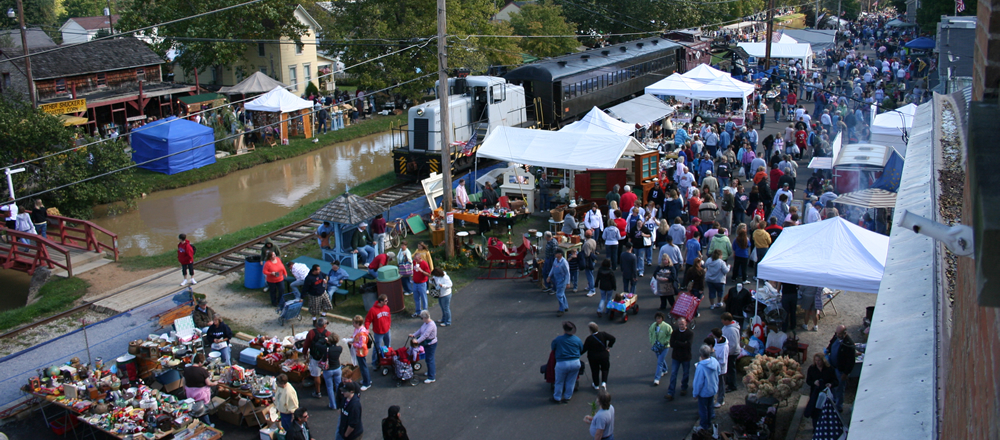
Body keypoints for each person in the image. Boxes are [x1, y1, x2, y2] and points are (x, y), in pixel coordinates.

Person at [551, 321, 583, 403]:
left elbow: (553, 348)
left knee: (559, 381)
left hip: (562, 363)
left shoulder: (558, 339)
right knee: (571, 381)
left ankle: (557, 397)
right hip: (575, 362)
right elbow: (581, 349)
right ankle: (567, 397)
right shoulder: (577, 339)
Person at [826, 325, 856, 412]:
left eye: (840, 334)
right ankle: (833, 401)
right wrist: (828, 350)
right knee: (832, 386)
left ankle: (838, 407)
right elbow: (831, 343)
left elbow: (851, 361)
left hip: (840, 370)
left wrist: (846, 373)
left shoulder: (849, 344)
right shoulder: (836, 337)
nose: (838, 335)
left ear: (845, 333)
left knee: (839, 389)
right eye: (837, 333)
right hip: (832, 367)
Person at [183, 353, 218, 426]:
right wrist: (215, 383)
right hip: (200, 394)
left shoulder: (186, 369)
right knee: (202, 410)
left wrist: (184, 390)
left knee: (192, 408)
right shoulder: (202, 371)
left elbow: (184, 381)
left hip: (189, 392)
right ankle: (208, 424)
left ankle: (194, 423)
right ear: (199, 363)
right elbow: (208, 383)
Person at [692, 345, 721, 433]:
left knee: (703, 410)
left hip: (704, 392)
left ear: (701, 355)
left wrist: (695, 393)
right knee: (710, 407)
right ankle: (709, 422)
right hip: (713, 389)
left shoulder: (700, 367)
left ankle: (704, 426)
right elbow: (719, 372)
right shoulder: (715, 361)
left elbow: (698, 382)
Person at [665, 317, 693, 401]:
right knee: (673, 374)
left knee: (686, 374)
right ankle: (670, 392)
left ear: (686, 324)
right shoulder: (675, 332)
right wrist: (682, 343)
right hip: (676, 357)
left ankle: (684, 388)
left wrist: (677, 342)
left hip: (686, 357)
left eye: (682, 324)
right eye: (680, 324)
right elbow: (672, 344)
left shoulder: (690, 333)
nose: (681, 326)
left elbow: (688, 344)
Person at [804, 353, 839, 420]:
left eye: (819, 360)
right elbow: (808, 381)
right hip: (815, 393)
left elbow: (836, 381)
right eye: (816, 360)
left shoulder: (829, 369)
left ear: (823, 361)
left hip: (826, 394)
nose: (817, 362)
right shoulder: (812, 369)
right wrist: (814, 382)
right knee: (815, 412)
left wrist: (830, 384)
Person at [581, 322, 616, 389]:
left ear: (590, 330)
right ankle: (604, 382)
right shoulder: (603, 334)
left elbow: (584, 349)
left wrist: (576, 355)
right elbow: (613, 338)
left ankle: (596, 385)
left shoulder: (589, 338)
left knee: (595, 370)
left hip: (593, 357)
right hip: (604, 355)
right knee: (605, 369)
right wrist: (609, 346)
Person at [303, 318, 332, 397]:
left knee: (316, 375)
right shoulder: (328, 334)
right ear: (324, 325)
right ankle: (329, 390)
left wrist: (304, 353)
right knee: (327, 373)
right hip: (325, 357)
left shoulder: (311, 333)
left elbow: (306, 344)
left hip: (315, 357)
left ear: (317, 324)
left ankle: (318, 392)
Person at [410, 310, 438, 383]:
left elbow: (425, 335)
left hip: (431, 344)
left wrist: (417, 341)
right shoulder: (426, 323)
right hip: (427, 344)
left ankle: (431, 377)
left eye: (422, 318)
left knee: (429, 359)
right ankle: (431, 372)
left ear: (425, 317)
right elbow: (420, 330)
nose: (422, 320)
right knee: (428, 359)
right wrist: (414, 335)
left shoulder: (431, 325)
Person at [365, 294, 393, 366]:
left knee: (388, 346)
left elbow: (389, 316)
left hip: (387, 331)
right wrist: (367, 329)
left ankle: (387, 359)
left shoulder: (387, 308)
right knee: (377, 348)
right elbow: (367, 320)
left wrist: (389, 324)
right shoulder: (373, 310)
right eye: (386, 300)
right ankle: (375, 363)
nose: (387, 301)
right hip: (378, 333)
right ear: (381, 302)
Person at [347, 315, 372, 390]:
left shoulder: (362, 333)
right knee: (362, 366)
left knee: (363, 367)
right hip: (358, 351)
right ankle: (366, 380)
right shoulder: (357, 329)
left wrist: (352, 344)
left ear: (357, 323)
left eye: (354, 323)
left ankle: (367, 383)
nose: (353, 324)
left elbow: (361, 344)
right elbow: (355, 337)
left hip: (361, 352)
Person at [321, 333, 344, 410]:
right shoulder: (339, 348)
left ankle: (333, 404)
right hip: (337, 368)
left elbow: (324, 359)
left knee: (330, 387)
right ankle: (339, 402)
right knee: (338, 386)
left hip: (328, 370)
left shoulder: (326, 350)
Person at [650, 312, 673, 386]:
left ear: (662, 319)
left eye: (659, 318)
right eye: (657, 318)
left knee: (659, 362)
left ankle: (657, 379)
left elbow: (671, 334)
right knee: (661, 359)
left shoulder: (667, 326)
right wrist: (652, 341)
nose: (658, 320)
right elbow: (650, 332)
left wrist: (666, 341)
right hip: (656, 346)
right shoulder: (653, 325)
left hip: (665, 347)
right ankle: (665, 369)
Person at [721, 313, 741, 392]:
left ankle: (732, 385)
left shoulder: (731, 330)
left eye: (723, 320)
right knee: (728, 368)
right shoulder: (728, 327)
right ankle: (729, 381)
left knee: (731, 369)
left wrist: (727, 354)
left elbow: (733, 345)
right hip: (729, 352)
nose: (721, 321)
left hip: (731, 353)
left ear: (727, 321)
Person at [548, 249, 571, 316]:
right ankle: (565, 306)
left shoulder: (564, 262)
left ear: (560, 254)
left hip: (562, 280)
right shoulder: (555, 260)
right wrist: (549, 276)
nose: (555, 254)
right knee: (562, 294)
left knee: (559, 294)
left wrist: (568, 282)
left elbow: (567, 273)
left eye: (556, 253)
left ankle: (561, 309)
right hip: (557, 279)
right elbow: (553, 268)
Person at [711, 328, 730, 407]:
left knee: (721, 385)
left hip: (721, 369)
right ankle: (716, 398)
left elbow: (723, 361)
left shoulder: (724, 347)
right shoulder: (716, 341)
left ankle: (720, 400)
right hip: (715, 366)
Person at [411, 252, 431, 317]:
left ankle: (425, 312)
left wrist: (421, 271)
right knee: (416, 298)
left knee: (423, 297)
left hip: (422, 283)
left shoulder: (424, 264)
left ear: (420, 258)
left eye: (416, 259)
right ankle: (418, 312)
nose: (415, 261)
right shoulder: (414, 262)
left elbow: (429, 274)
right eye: (415, 259)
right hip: (415, 283)